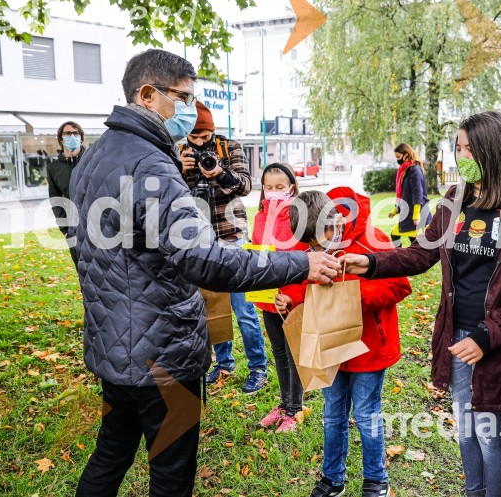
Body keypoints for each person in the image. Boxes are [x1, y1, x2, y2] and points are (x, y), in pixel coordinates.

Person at [69, 49, 341, 497]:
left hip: (113, 343)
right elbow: (206, 260)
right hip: (162, 351)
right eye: (184, 98)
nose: (192, 111)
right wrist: (300, 263)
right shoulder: (150, 164)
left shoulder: (93, 159)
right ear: (148, 94)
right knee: (171, 472)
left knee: (110, 454)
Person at [344, 112, 501, 497]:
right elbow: (421, 254)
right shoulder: (455, 199)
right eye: (459, 147)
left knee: (489, 432)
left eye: (470, 147)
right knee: (466, 426)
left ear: (494, 150)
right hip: (457, 334)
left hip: (498, 341)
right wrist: (371, 262)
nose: (461, 154)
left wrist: (487, 338)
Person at [275, 188, 412, 497]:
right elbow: (299, 283)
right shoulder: (308, 245)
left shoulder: (372, 239)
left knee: (366, 414)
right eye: (309, 245)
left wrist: (353, 298)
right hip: (329, 347)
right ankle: (333, 478)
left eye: (320, 240)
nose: (316, 248)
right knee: (333, 412)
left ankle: (376, 479)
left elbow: (400, 285)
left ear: (335, 219)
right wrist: (289, 298)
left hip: (368, 348)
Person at [179, 101, 270, 394]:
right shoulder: (180, 152)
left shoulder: (230, 148)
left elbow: (245, 186)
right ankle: (224, 363)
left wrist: (219, 172)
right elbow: (171, 193)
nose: (199, 142)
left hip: (232, 233)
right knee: (213, 305)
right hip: (200, 236)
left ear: (212, 131)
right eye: (193, 137)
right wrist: (180, 169)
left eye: (204, 137)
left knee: (243, 308)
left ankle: (258, 368)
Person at [251, 163, 305, 432]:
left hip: (291, 299)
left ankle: (295, 410)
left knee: (294, 355)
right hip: (268, 296)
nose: (273, 192)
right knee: (279, 354)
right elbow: (257, 253)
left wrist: (292, 296)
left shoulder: (299, 215)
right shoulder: (260, 216)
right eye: (268, 187)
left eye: (280, 188)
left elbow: (303, 258)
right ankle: (285, 404)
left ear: (291, 188)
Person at [46, 121, 85, 265]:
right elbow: (55, 199)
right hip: (73, 228)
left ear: (81, 137)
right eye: (68, 133)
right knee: (81, 267)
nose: (72, 136)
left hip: (96, 225)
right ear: (61, 138)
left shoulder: (92, 161)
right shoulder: (54, 168)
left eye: (76, 133)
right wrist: (65, 229)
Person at [388, 143, 431, 247]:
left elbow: (418, 194)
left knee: (397, 235)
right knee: (413, 242)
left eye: (398, 157)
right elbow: (404, 194)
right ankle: (404, 257)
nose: (397, 160)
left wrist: (416, 216)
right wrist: (395, 210)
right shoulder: (405, 170)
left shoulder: (414, 170)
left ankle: (403, 256)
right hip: (408, 213)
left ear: (406, 154)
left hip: (415, 214)